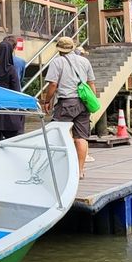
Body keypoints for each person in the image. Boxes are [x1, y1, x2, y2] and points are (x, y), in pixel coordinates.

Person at [40, 36, 96, 180]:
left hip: (66, 103)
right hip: (83, 103)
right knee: (81, 137)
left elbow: (53, 84)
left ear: (59, 49)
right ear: (72, 48)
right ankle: (80, 170)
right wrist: (92, 101)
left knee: (59, 135)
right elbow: (91, 84)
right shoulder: (85, 61)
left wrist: (47, 101)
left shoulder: (57, 62)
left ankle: (63, 169)